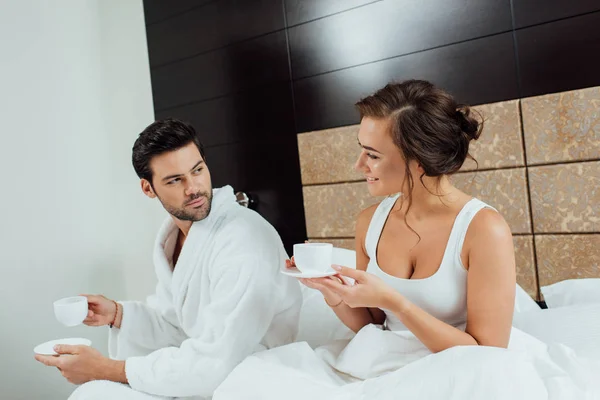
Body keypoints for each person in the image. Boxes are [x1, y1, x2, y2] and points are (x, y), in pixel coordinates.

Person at [213, 80, 518, 399]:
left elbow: (487, 355)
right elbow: (370, 323)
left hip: (455, 373)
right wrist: (333, 292)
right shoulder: (371, 221)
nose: (359, 165)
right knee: (251, 381)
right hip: (382, 363)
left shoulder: (483, 229)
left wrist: (396, 302)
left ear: (418, 160)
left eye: (372, 155)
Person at [35, 119, 302, 399]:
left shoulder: (244, 239)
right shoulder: (177, 237)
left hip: (253, 377)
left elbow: (219, 358)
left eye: (198, 170)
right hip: (205, 372)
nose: (193, 188)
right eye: (175, 180)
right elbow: (178, 326)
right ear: (148, 188)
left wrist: (105, 369)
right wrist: (117, 314)